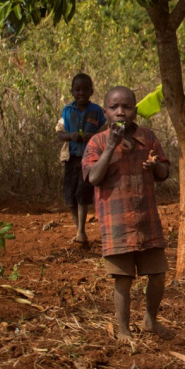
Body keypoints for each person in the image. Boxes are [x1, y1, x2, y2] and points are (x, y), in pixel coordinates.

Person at [82, 87, 174, 342]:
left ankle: (150, 320)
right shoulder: (97, 142)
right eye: (114, 107)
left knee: (157, 275)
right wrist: (111, 146)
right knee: (122, 279)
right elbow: (92, 177)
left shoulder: (148, 137)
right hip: (117, 224)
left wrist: (157, 166)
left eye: (126, 107)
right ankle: (123, 329)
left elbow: (164, 173)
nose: (121, 112)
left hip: (147, 221)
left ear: (135, 110)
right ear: (105, 112)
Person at [56, 73, 106, 246]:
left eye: (85, 90)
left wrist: (94, 137)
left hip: (89, 159)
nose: (81, 93)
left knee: (83, 193)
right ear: (72, 91)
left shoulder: (97, 111)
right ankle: (79, 230)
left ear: (91, 91)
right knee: (70, 195)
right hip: (71, 158)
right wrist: (71, 135)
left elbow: (105, 130)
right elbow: (59, 133)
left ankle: (81, 231)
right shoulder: (67, 111)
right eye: (77, 90)